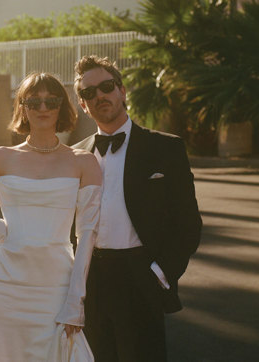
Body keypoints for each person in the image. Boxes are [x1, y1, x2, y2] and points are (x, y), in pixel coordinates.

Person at [0, 72, 101, 361]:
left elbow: (87, 234)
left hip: (56, 287)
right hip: (1, 286)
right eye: (34, 101)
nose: (43, 108)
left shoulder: (84, 162)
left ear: (61, 107)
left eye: (51, 101)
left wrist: (75, 300)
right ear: (22, 107)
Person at [72, 55, 202, 361]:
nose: (99, 96)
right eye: (89, 93)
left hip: (140, 277)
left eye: (106, 87)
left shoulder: (165, 148)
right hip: (90, 281)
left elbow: (187, 223)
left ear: (122, 90)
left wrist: (160, 273)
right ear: (82, 105)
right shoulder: (75, 156)